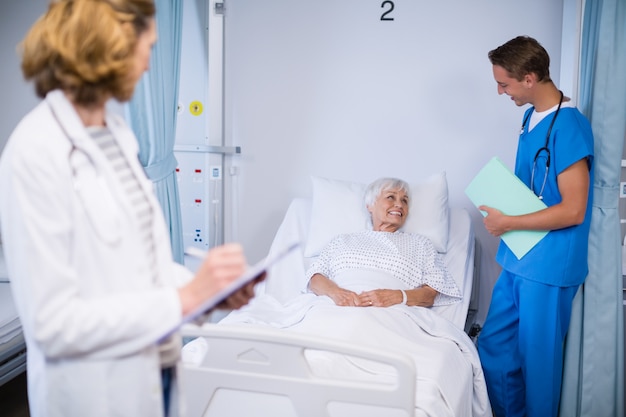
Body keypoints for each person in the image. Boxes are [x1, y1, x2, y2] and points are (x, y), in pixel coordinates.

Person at [0, 1, 259, 416]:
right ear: (110, 44)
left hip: (153, 376)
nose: (148, 66)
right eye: (148, 48)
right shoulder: (35, 152)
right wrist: (185, 300)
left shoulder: (117, 134)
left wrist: (211, 295)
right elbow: (52, 325)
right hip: (93, 394)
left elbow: (141, 261)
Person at [476, 36, 594, 417]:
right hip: (518, 253)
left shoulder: (570, 125)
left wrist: (509, 220)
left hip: (548, 264)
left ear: (529, 78)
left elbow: (574, 210)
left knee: (538, 366)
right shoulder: (530, 117)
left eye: (504, 84)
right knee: (494, 347)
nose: (499, 91)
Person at [307, 177, 462, 307]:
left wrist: (398, 297)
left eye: (405, 201)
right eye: (391, 197)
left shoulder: (421, 244)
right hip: (333, 308)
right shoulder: (342, 240)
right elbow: (315, 278)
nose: (399, 205)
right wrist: (337, 294)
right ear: (370, 205)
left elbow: (431, 293)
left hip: (393, 313)